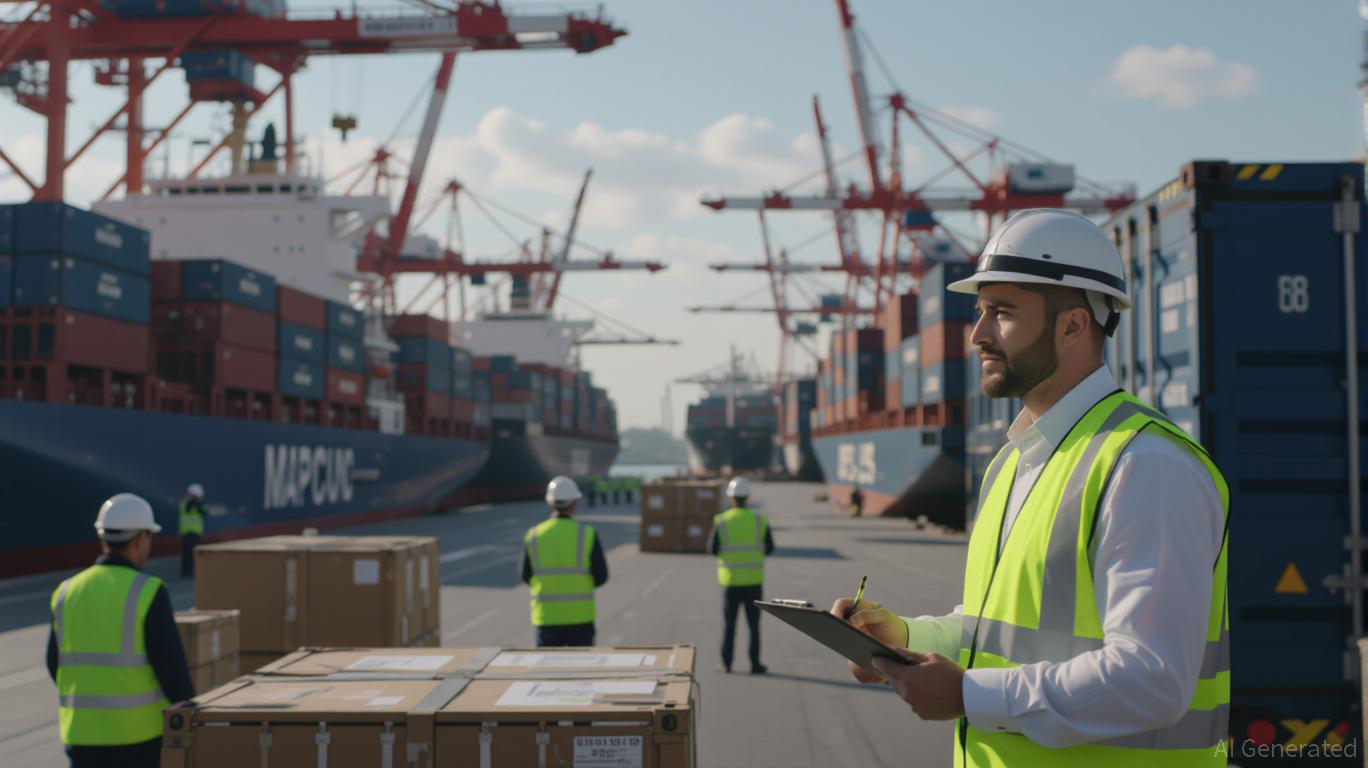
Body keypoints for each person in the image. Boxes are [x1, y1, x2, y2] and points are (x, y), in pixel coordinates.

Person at [832, 209, 1229, 766]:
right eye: (980, 312)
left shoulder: (1145, 466)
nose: (977, 335)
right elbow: (994, 632)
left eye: (1002, 312)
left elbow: (1152, 680)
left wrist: (969, 695)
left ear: (1073, 325)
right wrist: (903, 639)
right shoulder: (1014, 461)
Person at [48, 493, 195, 768]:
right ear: (139, 539)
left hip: (80, 735)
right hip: (137, 737)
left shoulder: (66, 592)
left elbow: (53, 662)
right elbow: (170, 667)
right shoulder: (148, 591)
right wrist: (189, 708)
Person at [520, 476, 609, 647]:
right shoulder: (587, 533)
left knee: (548, 664)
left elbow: (525, 575)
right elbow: (601, 577)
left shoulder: (533, 535)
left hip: (546, 618)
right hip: (581, 618)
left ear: (550, 502)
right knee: (582, 663)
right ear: (574, 503)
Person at [709, 477, 776, 674]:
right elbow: (770, 547)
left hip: (730, 582)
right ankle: (755, 664)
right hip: (754, 582)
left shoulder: (721, 520)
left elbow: (712, 549)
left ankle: (726, 663)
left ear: (731, 498)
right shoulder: (759, 520)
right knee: (754, 626)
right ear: (747, 497)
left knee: (729, 625)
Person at [178, 483, 205, 578]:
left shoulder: (200, 504)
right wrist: (193, 502)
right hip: (187, 533)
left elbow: (204, 512)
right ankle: (186, 572)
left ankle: (195, 570)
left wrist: (197, 504)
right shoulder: (185, 503)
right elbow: (187, 510)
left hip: (196, 533)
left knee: (195, 553)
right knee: (187, 554)